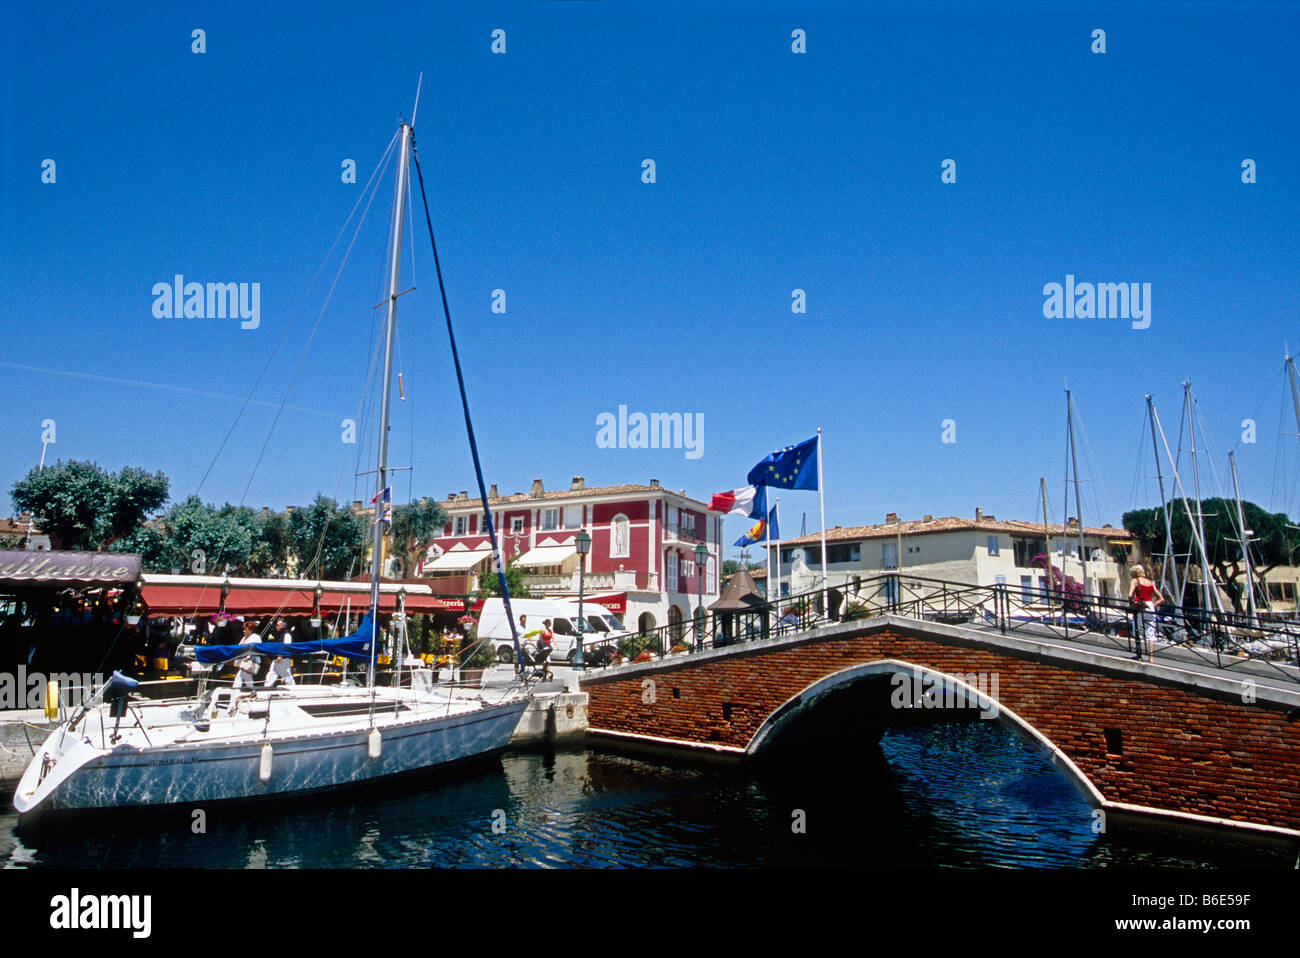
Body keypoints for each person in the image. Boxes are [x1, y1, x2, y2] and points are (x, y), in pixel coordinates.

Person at [1128, 564, 1165, 660]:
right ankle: (1151, 657)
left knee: (1136, 629)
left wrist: (1131, 604)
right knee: (1150, 632)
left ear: (1135, 573)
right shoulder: (1150, 582)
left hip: (1140, 606)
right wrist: (1152, 605)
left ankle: (1139, 654)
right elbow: (1161, 599)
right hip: (1150, 606)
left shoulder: (1135, 581)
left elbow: (1130, 595)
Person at [265, 616, 296, 689]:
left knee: (287, 677)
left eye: (278, 625)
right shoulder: (279, 634)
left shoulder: (287, 634)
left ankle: (294, 690)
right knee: (271, 674)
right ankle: (266, 689)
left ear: (283, 625)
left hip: (283, 659)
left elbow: (286, 646)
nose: (276, 626)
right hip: (277, 659)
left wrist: (281, 655)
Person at [233, 619, 261, 691]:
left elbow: (256, 648)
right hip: (243, 661)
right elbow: (239, 647)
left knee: (240, 677)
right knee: (247, 678)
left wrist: (248, 657)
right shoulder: (244, 638)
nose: (243, 631)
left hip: (249, 661)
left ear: (250, 630)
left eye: (245, 629)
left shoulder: (256, 637)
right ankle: (252, 691)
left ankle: (235, 691)